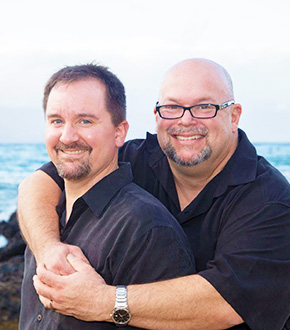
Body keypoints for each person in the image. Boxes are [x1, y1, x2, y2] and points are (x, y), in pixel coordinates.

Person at [18, 58, 290, 330]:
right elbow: (39, 183)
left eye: (204, 107)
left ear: (234, 115)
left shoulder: (269, 201)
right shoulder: (136, 158)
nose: (185, 121)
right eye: (172, 107)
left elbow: (223, 305)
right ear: (157, 114)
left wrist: (102, 302)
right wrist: (48, 251)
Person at [18, 64, 195, 330]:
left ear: (119, 132)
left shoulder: (146, 228)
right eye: (56, 121)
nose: (67, 136)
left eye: (85, 121)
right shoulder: (45, 218)